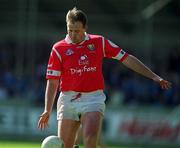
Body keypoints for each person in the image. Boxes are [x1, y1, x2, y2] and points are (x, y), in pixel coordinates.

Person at [37, 7, 171, 148]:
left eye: (77, 31)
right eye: (70, 30)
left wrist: (154, 76)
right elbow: (52, 82)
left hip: (93, 98)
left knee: (90, 139)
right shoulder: (58, 48)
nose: (73, 34)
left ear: (85, 28)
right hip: (67, 100)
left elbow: (127, 58)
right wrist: (47, 109)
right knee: (65, 145)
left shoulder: (99, 42)